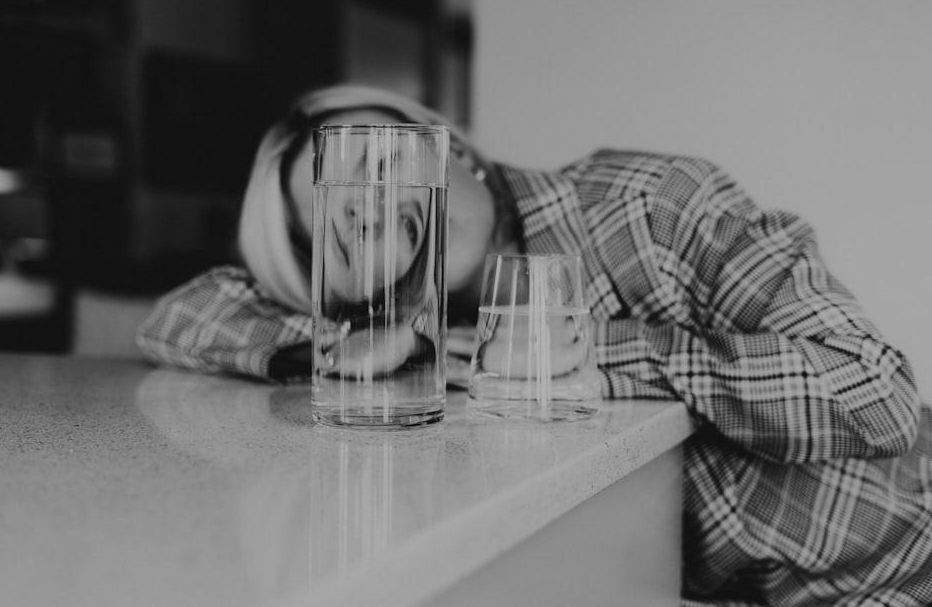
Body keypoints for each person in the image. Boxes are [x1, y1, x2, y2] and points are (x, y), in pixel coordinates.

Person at [137, 84, 932, 605]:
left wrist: (578, 352)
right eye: (346, 229)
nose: (375, 208)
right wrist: (344, 338)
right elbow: (180, 315)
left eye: (388, 165)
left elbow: (876, 391)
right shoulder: (423, 354)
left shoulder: (649, 207)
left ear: (452, 148)